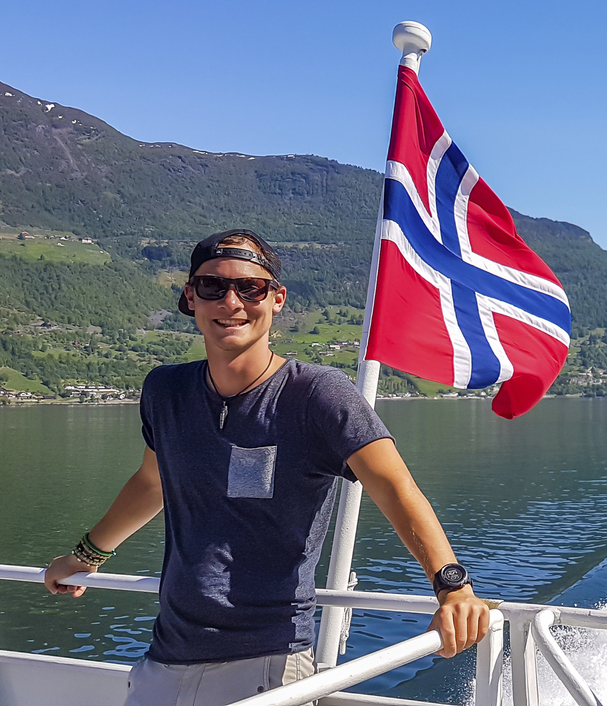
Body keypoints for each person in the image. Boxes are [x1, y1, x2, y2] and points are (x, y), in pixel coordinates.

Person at [43, 229, 490, 705]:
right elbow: (152, 482)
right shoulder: (165, 391)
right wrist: (87, 556)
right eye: (213, 286)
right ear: (190, 298)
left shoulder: (317, 394)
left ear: (276, 299)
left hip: (267, 664)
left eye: (250, 288)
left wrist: (452, 587)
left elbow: (394, 487)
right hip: (165, 659)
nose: (231, 301)